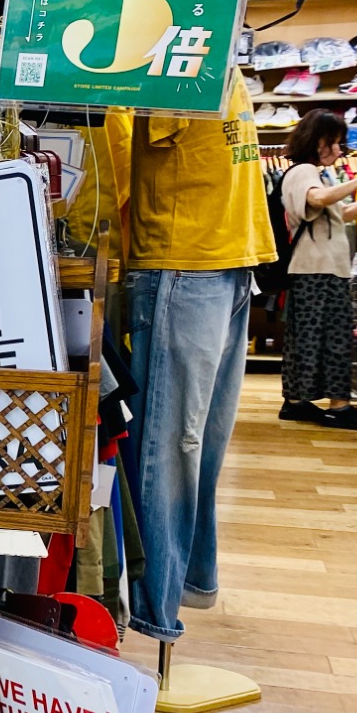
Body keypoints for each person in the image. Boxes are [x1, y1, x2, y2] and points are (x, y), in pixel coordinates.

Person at [108, 68, 275, 642]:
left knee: (202, 445)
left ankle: (185, 583)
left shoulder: (216, 44)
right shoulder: (171, 40)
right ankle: (153, 610)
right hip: (183, 264)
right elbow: (125, 148)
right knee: (171, 446)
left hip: (229, 259)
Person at [278, 109, 357, 429]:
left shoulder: (316, 173)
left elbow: (340, 214)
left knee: (311, 337)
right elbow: (318, 200)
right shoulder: (303, 171)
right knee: (330, 338)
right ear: (317, 141)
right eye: (334, 142)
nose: (338, 150)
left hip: (321, 269)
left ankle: (297, 402)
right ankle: (337, 406)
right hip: (316, 270)